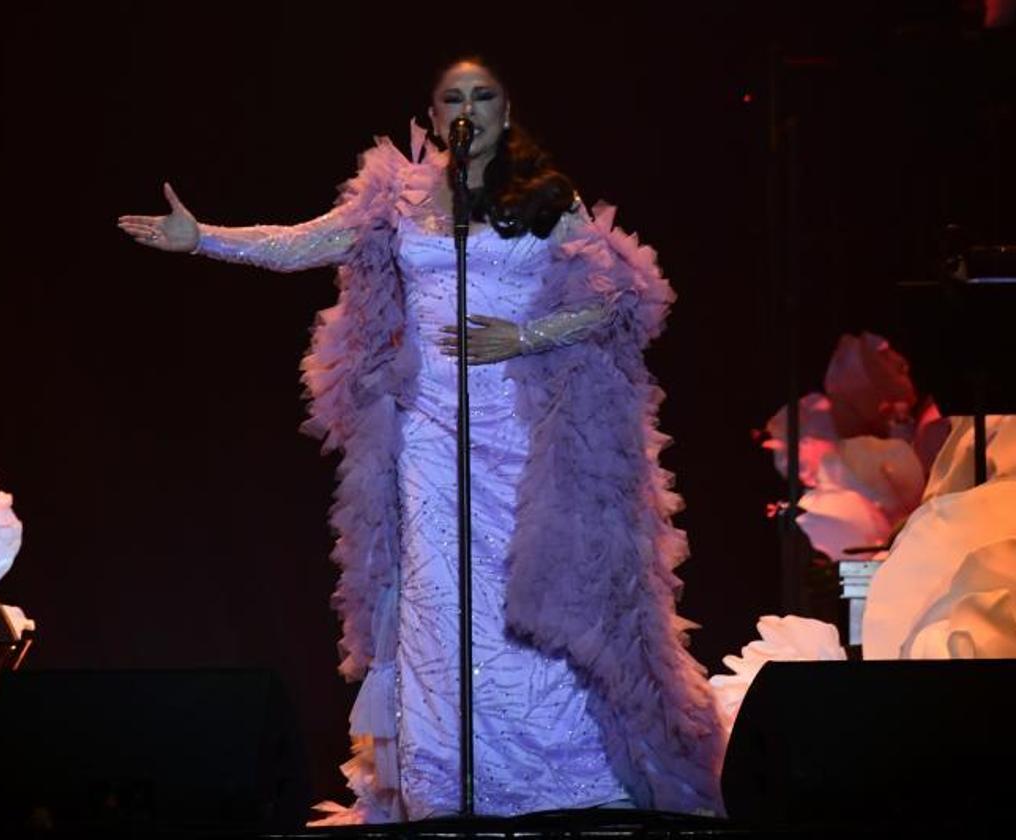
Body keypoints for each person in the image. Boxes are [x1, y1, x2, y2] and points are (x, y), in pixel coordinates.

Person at [118, 57, 724, 823]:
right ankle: (447, 789)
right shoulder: (397, 201)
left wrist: (525, 334)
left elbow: (618, 300)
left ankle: (570, 786)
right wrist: (203, 237)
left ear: (506, 110)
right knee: (439, 602)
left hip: (523, 432)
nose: (468, 108)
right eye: (453, 98)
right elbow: (304, 243)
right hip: (431, 434)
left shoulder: (546, 197)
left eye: (484, 96)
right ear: (433, 116)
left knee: (537, 590)